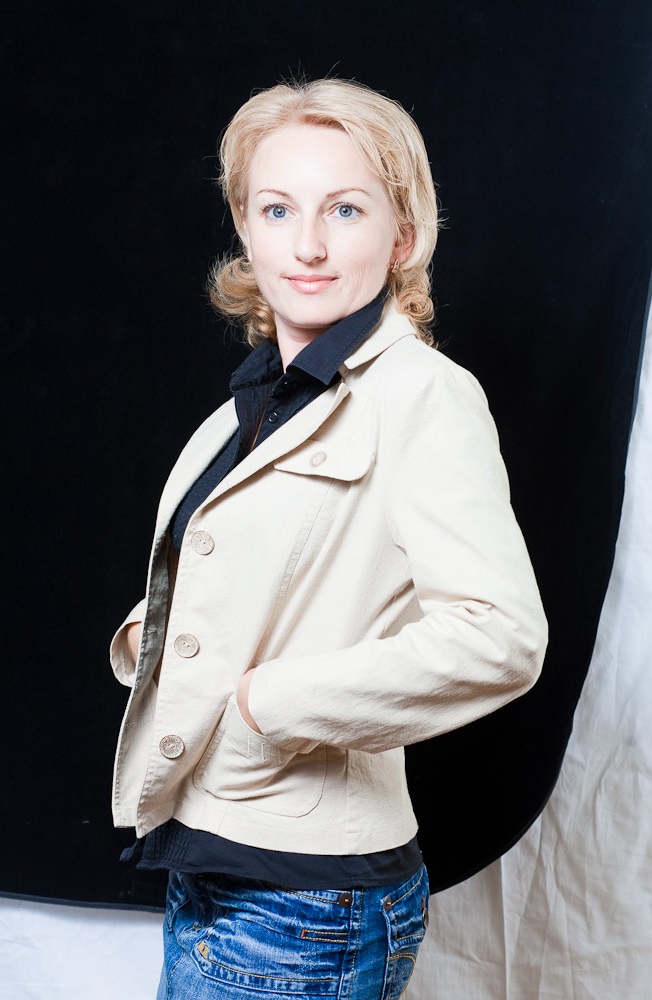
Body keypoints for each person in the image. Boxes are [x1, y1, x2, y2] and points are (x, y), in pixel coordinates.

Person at [110, 78, 548, 999]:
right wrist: (159, 636)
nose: (306, 244)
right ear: (246, 227)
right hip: (215, 861)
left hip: (304, 901)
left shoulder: (422, 396)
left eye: (344, 209)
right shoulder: (258, 399)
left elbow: (499, 636)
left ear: (402, 235)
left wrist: (266, 705)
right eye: (277, 209)